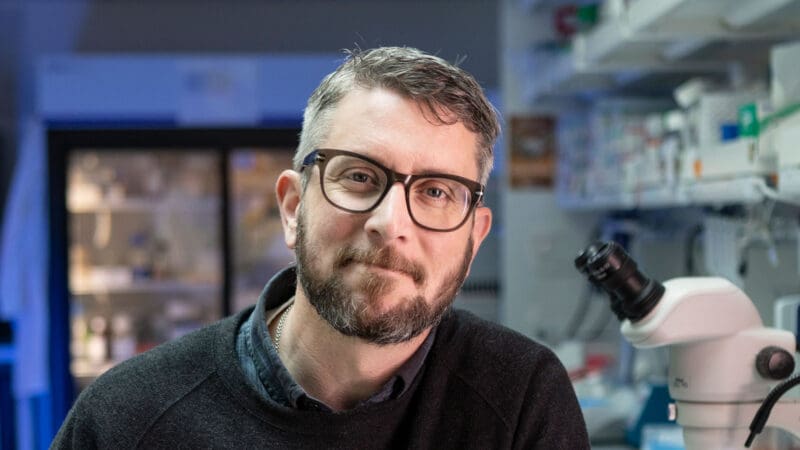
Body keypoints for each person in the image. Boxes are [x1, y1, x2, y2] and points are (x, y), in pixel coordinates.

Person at [52, 47, 590, 449]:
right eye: (358, 176)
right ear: (292, 207)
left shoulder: (521, 399)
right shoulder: (127, 419)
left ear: (473, 239)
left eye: (435, 192)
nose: (389, 223)